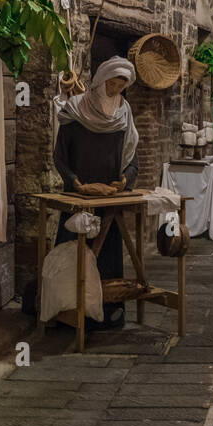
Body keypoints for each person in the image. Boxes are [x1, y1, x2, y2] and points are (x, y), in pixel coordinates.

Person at [50, 56, 140, 330]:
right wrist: (76, 183)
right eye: (112, 82)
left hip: (108, 199)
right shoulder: (76, 109)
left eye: (121, 84)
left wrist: (125, 180)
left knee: (107, 255)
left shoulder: (124, 113)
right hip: (79, 199)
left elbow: (132, 156)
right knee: (73, 251)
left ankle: (109, 309)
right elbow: (60, 156)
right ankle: (68, 311)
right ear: (101, 80)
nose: (116, 88)